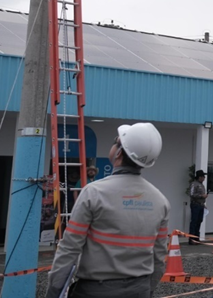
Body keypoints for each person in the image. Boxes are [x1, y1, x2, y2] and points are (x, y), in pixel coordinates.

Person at [46, 123, 169, 298]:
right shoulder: (160, 200)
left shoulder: (93, 192)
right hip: (139, 289)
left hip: (95, 290)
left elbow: (69, 249)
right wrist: (147, 290)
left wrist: (54, 291)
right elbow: (159, 257)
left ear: (118, 152)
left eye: (115, 141)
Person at [189, 169, 208, 245]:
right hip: (195, 205)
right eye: (203, 176)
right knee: (194, 221)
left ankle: (197, 238)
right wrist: (201, 196)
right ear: (200, 177)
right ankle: (192, 238)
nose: (204, 178)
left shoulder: (202, 185)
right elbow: (191, 194)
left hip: (201, 205)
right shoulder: (194, 184)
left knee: (199, 221)